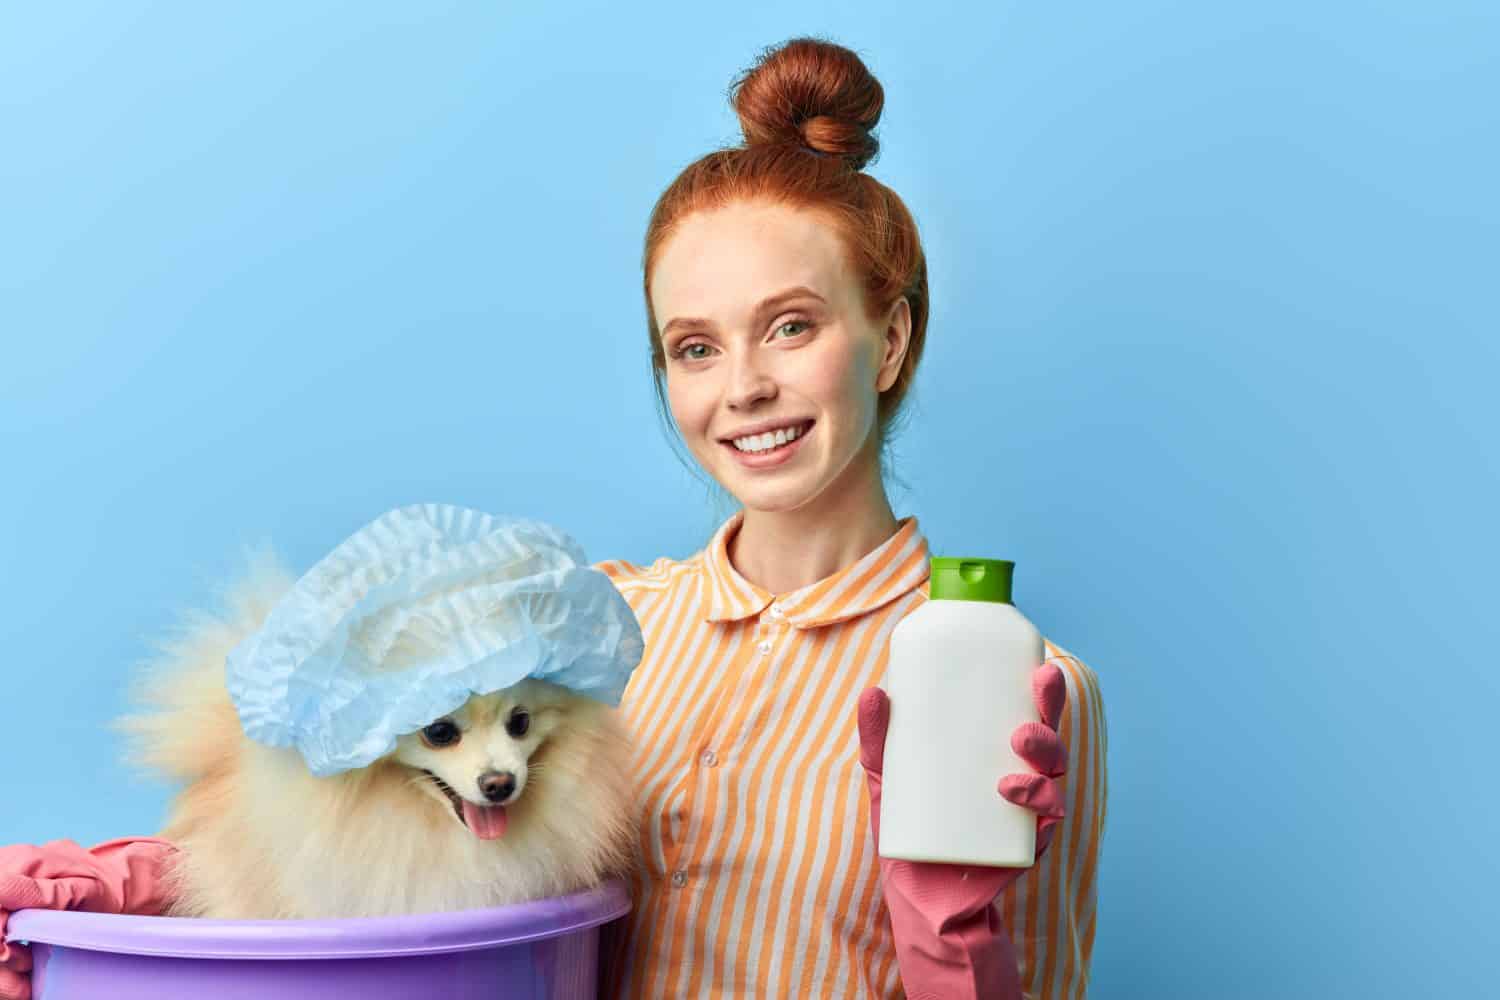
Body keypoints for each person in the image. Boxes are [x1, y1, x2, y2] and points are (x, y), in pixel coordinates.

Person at [0, 36, 1106, 1000]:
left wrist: (951, 931)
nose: (744, 389)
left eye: (792, 326)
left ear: (893, 339)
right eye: (696, 347)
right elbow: (364, 854)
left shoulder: (1018, 691)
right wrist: (117, 892)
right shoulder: (594, 629)